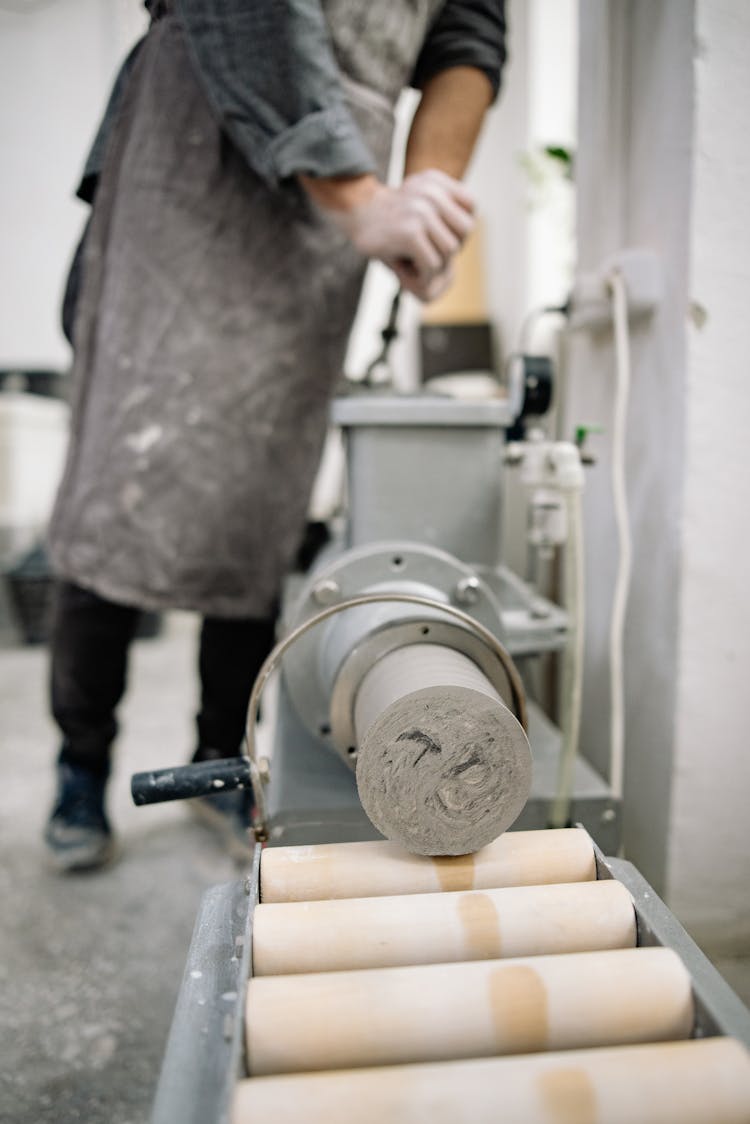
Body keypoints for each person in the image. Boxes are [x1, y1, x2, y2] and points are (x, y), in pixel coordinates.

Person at [44, 0, 507, 871]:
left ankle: (220, 760)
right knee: (121, 484)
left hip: (330, 208)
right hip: (204, 131)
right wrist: (359, 194)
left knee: (261, 493)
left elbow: (467, 37)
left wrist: (425, 200)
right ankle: (81, 767)